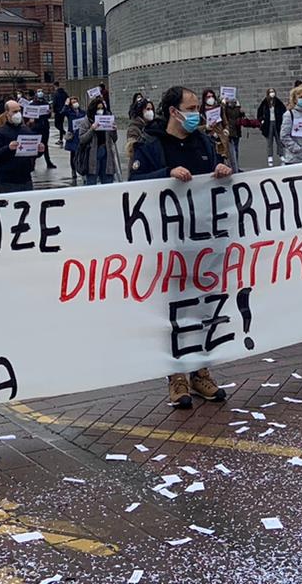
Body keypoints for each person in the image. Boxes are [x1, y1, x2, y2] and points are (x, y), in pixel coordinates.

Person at [128, 86, 232, 409]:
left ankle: (200, 371)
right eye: (190, 107)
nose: (196, 112)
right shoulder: (150, 145)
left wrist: (222, 171)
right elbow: (135, 187)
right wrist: (166, 175)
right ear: (173, 111)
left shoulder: (202, 141)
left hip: (202, 240)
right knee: (173, 310)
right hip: (169, 241)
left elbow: (219, 171)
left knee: (202, 306)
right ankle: (176, 377)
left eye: (198, 107)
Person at [0, 100, 37, 193]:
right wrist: (8, 148)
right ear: (7, 113)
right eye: (15, 112)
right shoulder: (0, 132)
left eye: (19, 111)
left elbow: (31, 154)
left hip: (25, 178)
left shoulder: (26, 130)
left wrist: (39, 150)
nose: (18, 114)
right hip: (7, 180)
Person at [76, 95, 118, 185]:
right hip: (92, 155)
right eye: (98, 108)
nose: (100, 110)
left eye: (102, 108)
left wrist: (113, 130)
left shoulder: (107, 118)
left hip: (106, 153)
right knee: (91, 181)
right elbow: (82, 139)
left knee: (108, 181)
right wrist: (92, 129)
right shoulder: (86, 121)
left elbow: (114, 139)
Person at [125, 95, 153, 178]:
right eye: (148, 109)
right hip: (138, 167)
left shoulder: (152, 126)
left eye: (151, 109)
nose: (150, 112)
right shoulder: (134, 128)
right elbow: (131, 149)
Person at [257, 88, 286, 167]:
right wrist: (261, 120)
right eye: (270, 92)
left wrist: (281, 119)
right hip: (268, 123)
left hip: (277, 123)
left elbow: (283, 110)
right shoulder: (265, 102)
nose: (272, 93)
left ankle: (281, 155)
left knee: (279, 140)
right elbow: (259, 112)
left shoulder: (278, 102)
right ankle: (270, 156)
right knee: (269, 141)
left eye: (273, 92)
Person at [222, 90, 246, 173]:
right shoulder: (225, 108)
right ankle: (232, 166)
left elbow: (239, 116)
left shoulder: (236, 108)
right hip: (230, 132)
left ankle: (236, 166)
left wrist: (239, 107)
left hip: (236, 131)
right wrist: (223, 104)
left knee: (236, 149)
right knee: (231, 150)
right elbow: (223, 114)